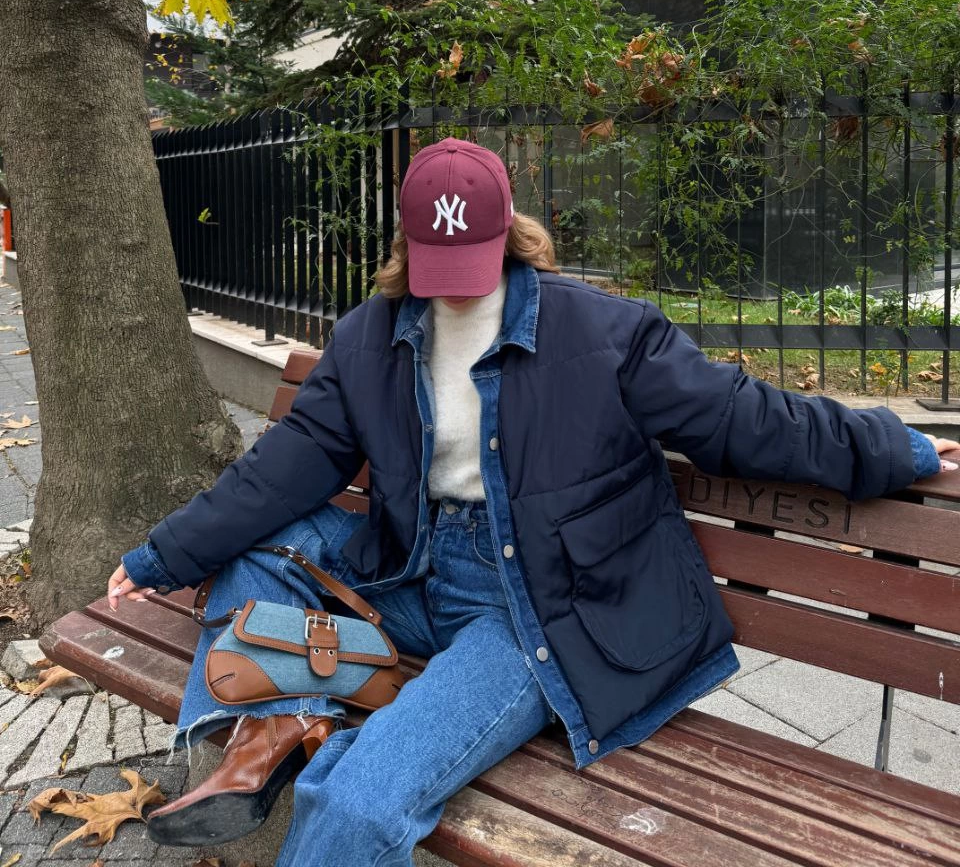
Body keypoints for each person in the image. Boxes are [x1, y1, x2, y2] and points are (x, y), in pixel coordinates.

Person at [109, 137, 960, 866]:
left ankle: (291, 729)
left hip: (536, 607)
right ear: (407, 242)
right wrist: (161, 556)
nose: (455, 287)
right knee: (259, 549)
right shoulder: (372, 333)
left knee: (357, 799)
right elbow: (285, 467)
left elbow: (744, 418)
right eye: (436, 265)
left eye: (472, 263)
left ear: (509, 231)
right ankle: (273, 731)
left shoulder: (606, 332)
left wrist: (902, 448)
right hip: (412, 573)